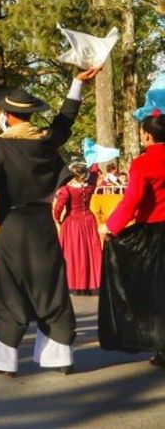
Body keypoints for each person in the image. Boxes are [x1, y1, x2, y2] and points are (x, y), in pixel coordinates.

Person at [0, 67, 100, 377]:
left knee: (7, 290)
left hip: (14, 224)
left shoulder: (1, 145)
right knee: (50, 287)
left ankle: (3, 361)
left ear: (10, 116)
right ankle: (61, 357)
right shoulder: (45, 140)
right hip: (43, 223)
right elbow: (65, 120)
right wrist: (76, 84)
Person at [99, 111, 165, 367]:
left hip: (153, 234)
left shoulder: (143, 163)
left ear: (147, 135)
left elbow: (132, 200)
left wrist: (110, 227)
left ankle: (159, 345)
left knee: (153, 291)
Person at [53, 162, 102, 296]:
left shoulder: (67, 189)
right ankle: (92, 282)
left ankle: (75, 283)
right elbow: (94, 173)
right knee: (89, 252)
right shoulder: (90, 186)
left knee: (73, 253)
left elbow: (58, 208)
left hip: (73, 222)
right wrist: (94, 167)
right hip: (89, 221)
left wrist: (58, 219)